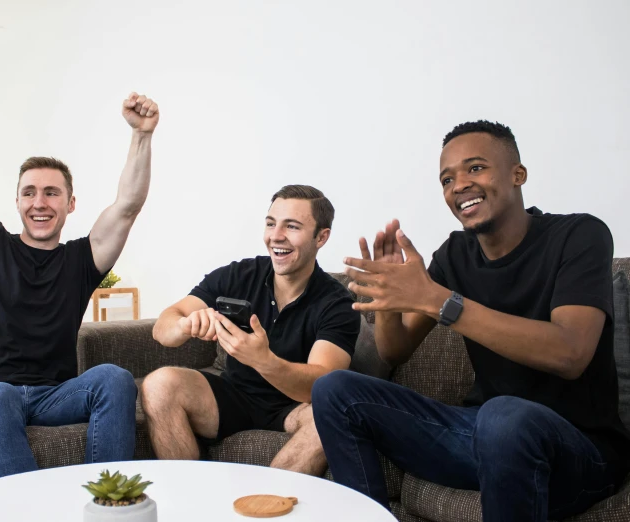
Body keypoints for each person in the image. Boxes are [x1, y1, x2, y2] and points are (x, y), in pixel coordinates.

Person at [312, 120, 630, 521]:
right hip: (480, 437)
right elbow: (395, 350)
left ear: (518, 175)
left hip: (580, 452)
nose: (458, 184)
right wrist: (390, 300)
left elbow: (571, 352)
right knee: (336, 389)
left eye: (475, 168)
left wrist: (443, 302)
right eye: (447, 178)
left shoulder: (580, 235)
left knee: (504, 417)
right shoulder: (456, 254)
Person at [0, 53, 159, 480]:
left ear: (70, 204)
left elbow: (128, 207)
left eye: (52, 193)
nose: (40, 202)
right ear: (16, 201)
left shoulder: (79, 260)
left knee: (114, 378)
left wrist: (142, 136)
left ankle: (105, 503)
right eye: (29, 192)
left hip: (52, 397)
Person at [142, 185, 360, 475]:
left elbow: (322, 385)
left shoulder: (337, 302)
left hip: (293, 408)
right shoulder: (240, 275)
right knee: (158, 385)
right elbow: (163, 326)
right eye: (271, 223)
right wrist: (185, 325)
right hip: (234, 396)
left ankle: (264, 506)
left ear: (321, 237)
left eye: (292, 226)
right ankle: (192, 503)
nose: (276, 236)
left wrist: (263, 360)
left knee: (331, 415)